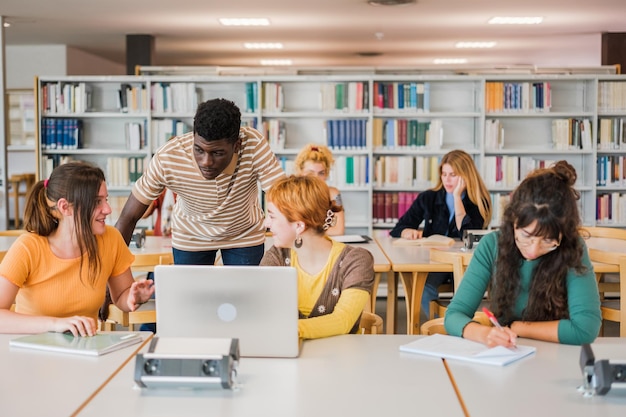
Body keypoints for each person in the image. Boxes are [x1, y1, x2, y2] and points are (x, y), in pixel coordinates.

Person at [444, 161, 602, 346]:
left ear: (563, 233)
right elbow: (454, 315)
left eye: (548, 240)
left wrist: (518, 328)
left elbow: (585, 329)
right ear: (513, 221)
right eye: (526, 236)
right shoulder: (492, 246)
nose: (534, 250)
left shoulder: (572, 248)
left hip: (558, 353)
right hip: (509, 354)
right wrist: (486, 334)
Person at [115, 98, 285, 266]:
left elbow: (285, 198)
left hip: (243, 232)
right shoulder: (169, 157)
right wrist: (110, 274)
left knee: (247, 293)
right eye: (199, 150)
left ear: (236, 146)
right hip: (191, 234)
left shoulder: (253, 145)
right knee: (190, 293)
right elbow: (128, 217)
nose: (206, 162)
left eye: (217, 153)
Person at [0, 162, 154, 336]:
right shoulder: (28, 247)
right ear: (65, 207)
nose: (108, 209)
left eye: (106, 200)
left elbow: (121, 297)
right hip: (34, 349)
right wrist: (56, 324)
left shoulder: (111, 239)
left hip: (86, 349)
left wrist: (133, 297)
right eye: (97, 202)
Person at [261, 175, 374, 339]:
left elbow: (343, 321)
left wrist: (289, 330)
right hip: (289, 357)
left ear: (299, 226)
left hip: (342, 359)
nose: (266, 224)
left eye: (272, 216)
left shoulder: (356, 261)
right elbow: (262, 311)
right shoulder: (276, 256)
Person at [390, 149, 491, 320]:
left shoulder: (479, 201)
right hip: (435, 262)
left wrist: (457, 197)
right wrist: (408, 231)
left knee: (466, 295)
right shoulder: (429, 197)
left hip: (466, 264)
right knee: (422, 286)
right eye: (444, 174)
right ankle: (438, 323)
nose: (447, 179)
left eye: (453, 174)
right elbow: (399, 227)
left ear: (466, 176)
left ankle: (455, 322)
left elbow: (468, 236)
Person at [293, 143, 345, 236]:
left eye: (321, 173)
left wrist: (308, 233)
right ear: (300, 172)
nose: (316, 178)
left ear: (327, 174)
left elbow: (339, 230)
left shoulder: (335, 194)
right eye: (310, 173)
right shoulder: (292, 194)